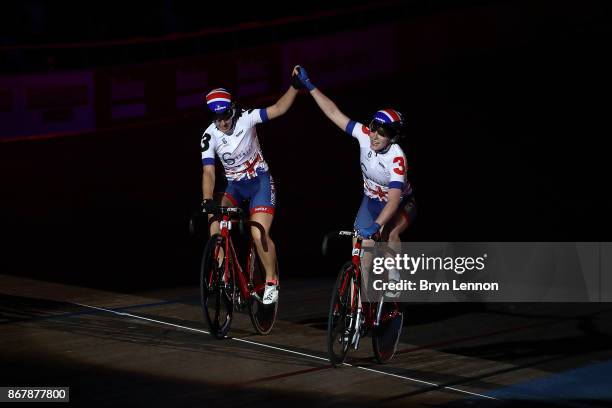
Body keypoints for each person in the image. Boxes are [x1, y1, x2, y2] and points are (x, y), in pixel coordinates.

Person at [294, 66, 416, 292]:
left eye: (383, 132)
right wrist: (310, 87)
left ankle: (395, 276)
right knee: (360, 259)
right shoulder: (364, 134)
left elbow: (392, 202)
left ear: (393, 137)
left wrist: (377, 226)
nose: (375, 136)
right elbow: (333, 112)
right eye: (373, 128)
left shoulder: (397, 159)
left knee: (389, 234)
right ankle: (357, 310)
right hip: (371, 202)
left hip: (399, 205)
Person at [201, 80, 299, 305]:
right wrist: (207, 199)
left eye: (226, 115)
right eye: (218, 118)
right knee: (214, 216)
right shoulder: (209, 135)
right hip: (235, 186)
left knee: (257, 233)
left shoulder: (247, 117)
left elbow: (279, 108)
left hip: (259, 182)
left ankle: (272, 280)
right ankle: (222, 272)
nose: (223, 122)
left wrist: (294, 85)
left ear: (232, 109)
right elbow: (208, 172)